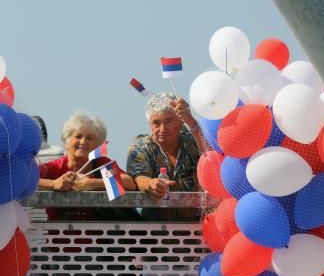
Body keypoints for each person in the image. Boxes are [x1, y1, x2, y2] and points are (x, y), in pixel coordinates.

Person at [39, 111, 140, 221]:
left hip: (98, 237)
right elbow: (27, 179)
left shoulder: (101, 164)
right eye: (78, 136)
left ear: (97, 145)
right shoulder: (56, 167)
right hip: (59, 236)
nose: (83, 141)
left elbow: (129, 183)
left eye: (89, 138)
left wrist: (91, 184)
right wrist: (53, 184)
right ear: (66, 142)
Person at [126, 92, 205, 221]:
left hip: (197, 228)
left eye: (168, 121)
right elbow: (139, 177)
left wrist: (192, 122)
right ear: (149, 125)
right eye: (156, 123)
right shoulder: (141, 146)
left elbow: (212, 153)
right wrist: (151, 184)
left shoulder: (194, 141)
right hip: (155, 232)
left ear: (180, 121)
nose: (163, 129)